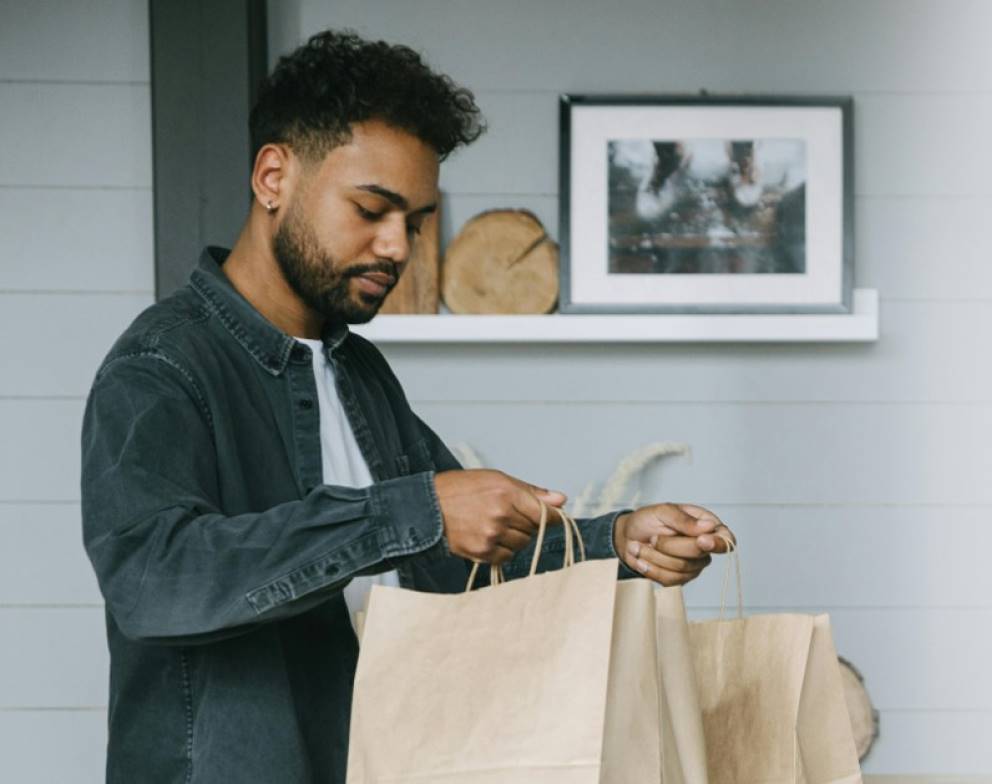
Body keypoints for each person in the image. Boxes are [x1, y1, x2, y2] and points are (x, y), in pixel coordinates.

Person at [79, 31, 734, 782]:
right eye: (371, 209)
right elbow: (155, 582)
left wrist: (617, 540)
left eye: (415, 222)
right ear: (273, 177)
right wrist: (410, 513)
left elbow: (457, 552)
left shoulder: (360, 372)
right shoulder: (161, 365)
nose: (398, 247)